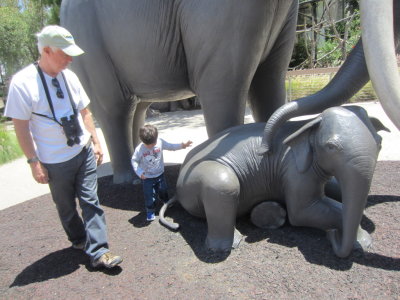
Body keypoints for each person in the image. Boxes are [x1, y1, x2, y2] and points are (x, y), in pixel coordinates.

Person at [4, 25, 122, 269]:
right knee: (66, 207)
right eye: (65, 53)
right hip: (54, 162)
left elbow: (85, 111)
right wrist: (33, 162)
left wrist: (96, 141)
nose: (70, 59)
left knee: (91, 201)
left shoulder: (70, 76)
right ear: (46, 50)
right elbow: (21, 127)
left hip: (83, 151)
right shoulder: (22, 83)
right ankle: (78, 239)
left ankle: (100, 251)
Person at [131, 124, 192, 221]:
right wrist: (139, 172)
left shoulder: (160, 142)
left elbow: (171, 146)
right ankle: (150, 210)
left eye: (153, 143)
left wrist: (182, 145)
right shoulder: (139, 149)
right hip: (147, 178)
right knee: (149, 195)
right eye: (148, 145)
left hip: (160, 174)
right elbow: (134, 161)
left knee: (163, 189)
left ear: (156, 138)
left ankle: (166, 201)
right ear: (142, 140)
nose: (151, 146)